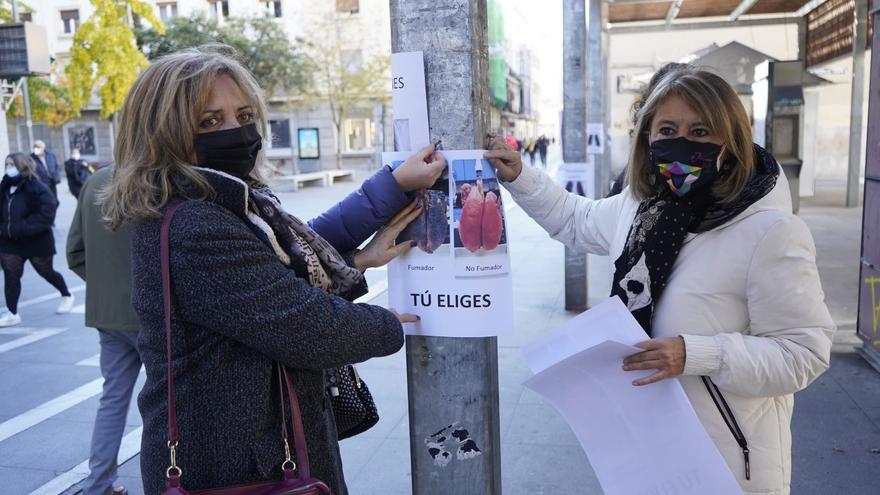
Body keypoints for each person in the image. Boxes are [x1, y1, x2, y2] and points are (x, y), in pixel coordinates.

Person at [102, 48, 444, 494]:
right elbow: (306, 328)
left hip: (258, 451)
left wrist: (391, 192)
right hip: (240, 466)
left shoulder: (225, 202)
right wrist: (385, 325)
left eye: (243, 114)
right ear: (164, 133)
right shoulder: (197, 225)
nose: (236, 132)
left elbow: (289, 256)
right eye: (210, 121)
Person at [485, 65, 834, 495]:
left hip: (729, 466)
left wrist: (696, 354)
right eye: (667, 128)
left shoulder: (770, 232)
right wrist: (519, 175)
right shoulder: (637, 210)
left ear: (733, 141)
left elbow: (803, 353)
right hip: (644, 451)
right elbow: (575, 219)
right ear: (647, 137)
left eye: (701, 131)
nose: (682, 142)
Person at [67, 166, 138, 495]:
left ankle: (98, 484)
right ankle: (167, 479)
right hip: (154, 316)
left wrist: (105, 288)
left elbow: (75, 253)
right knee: (167, 404)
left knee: (113, 400)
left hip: (108, 315)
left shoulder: (94, 181)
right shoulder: (158, 179)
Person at [0, 153, 74, 327]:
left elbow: (48, 211)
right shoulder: (3, 187)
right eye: (6, 164)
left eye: (12, 164)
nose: (8, 168)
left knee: (46, 272)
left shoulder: (36, 187)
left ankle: (67, 295)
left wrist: (24, 227)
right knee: (11, 275)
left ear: (22, 166)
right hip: (10, 241)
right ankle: (12, 313)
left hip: (36, 240)